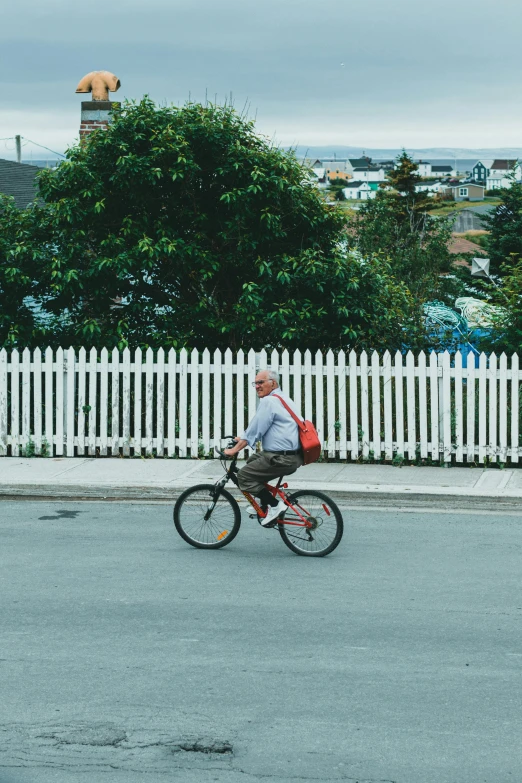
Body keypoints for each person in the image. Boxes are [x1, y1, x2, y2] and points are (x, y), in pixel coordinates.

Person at [224, 369, 304, 525]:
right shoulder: (283, 398)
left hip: (281, 458)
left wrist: (234, 450)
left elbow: (256, 429)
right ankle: (265, 504)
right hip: (291, 456)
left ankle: (275, 506)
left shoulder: (269, 401)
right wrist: (242, 438)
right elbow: (267, 427)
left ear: (272, 383)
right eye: (256, 383)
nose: (257, 386)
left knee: (244, 477)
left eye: (261, 382)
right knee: (252, 461)